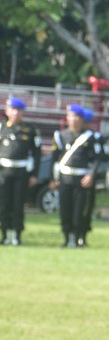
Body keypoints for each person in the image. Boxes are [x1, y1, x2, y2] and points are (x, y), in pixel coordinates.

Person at [52, 103, 105, 248]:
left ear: (82, 119)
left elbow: (97, 158)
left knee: (80, 210)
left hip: (81, 179)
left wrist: (91, 175)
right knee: (65, 209)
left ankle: (78, 237)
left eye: (77, 117)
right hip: (65, 177)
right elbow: (55, 158)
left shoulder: (90, 137)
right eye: (71, 116)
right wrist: (54, 178)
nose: (74, 119)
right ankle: (66, 237)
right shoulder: (61, 135)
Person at [0, 96, 41, 245]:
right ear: (7, 111)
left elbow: (37, 154)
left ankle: (16, 235)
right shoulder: (2, 128)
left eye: (19, 110)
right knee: (4, 204)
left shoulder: (30, 130)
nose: (16, 113)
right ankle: (4, 234)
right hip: (4, 171)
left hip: (21, 172)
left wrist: (34, 175)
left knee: (18, 204)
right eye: (13, 109)